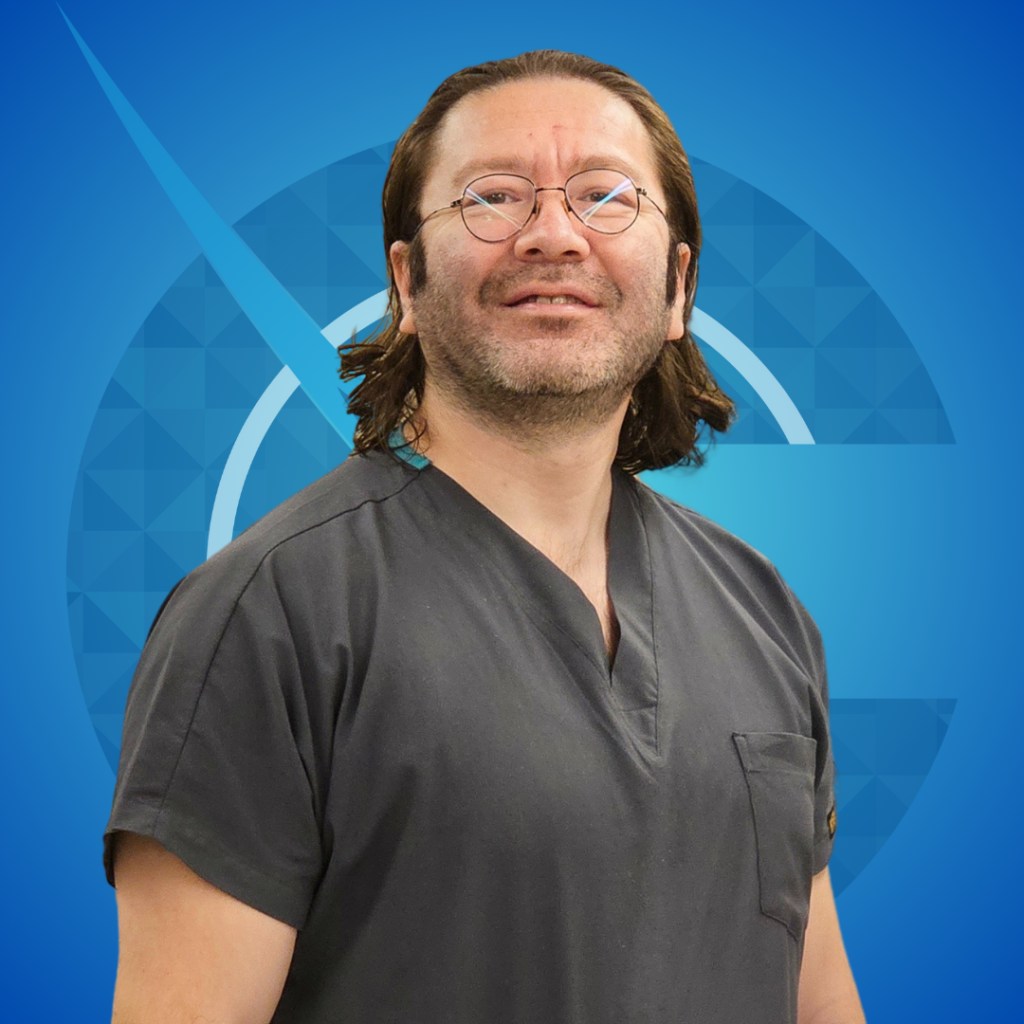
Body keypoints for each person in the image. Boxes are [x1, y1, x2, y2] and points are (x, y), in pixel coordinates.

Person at [106, 50, 866, 1024]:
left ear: (678, 288)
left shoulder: (764, 612)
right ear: (407, 283)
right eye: (493, 197)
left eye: (605, 196)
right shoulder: (266, 618)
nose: (553, 233)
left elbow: (819, 1001)